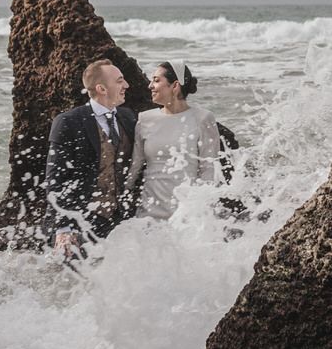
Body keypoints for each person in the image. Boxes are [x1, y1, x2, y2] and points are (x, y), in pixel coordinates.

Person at [44, 58, 138, 258]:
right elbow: (55, 181)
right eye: (120, 81)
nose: (127, 85)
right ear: (102, 88)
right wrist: (63, 229)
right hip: (80, 222)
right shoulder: (68, 122)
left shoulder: (128, 118)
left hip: (120, 221)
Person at [124, 60, 222, 219]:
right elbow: (134, 169)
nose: (149, 86)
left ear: (175, 86)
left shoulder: (203, 118)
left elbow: (208, 170)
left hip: (187, 218)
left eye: (156, 80)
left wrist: (201, 213)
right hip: (147, 216)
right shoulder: (145, 119)